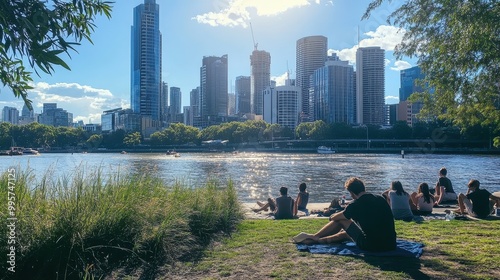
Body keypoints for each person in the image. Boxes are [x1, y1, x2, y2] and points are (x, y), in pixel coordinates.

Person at [292, 177, 397, 252]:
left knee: (342, 220)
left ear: (351, 193)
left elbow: (334, 218)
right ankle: (317, 241)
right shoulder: (380, 198)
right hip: (390, 243)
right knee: (345, 234)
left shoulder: (356, 204)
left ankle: (315, 237)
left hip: (371, 245)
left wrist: (334, 214)